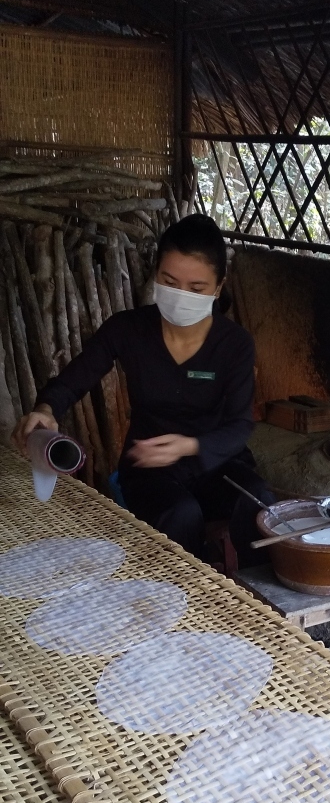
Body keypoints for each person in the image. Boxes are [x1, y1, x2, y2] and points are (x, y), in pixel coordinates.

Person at [13, 215, 274, 566]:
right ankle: (192, 601)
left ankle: (256, 601)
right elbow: (74, 379)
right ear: (155, 275)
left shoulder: (234, 344)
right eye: (169, 281)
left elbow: (240, 425)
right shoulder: (128, 330)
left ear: (218, 286)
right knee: (181, 514)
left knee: (259, 504)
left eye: (196, 289)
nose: (181, 296)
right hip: (150, 469)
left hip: (216, 464)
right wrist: (46, 409)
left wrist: (191, 446)